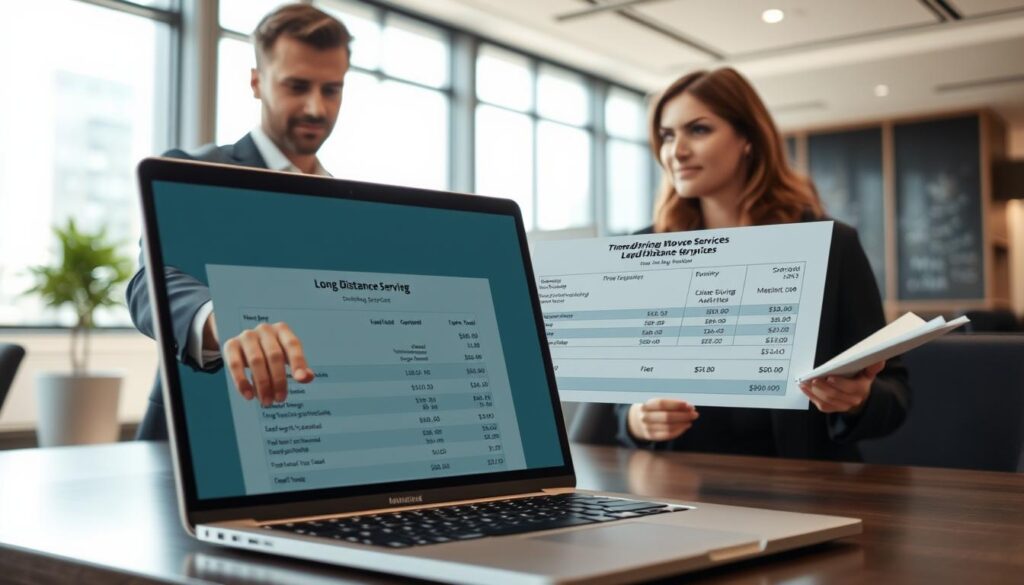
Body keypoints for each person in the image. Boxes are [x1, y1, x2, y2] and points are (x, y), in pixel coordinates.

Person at [614, 68, 910, 461]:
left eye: (698, 130)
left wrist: (858, 399)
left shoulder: (831, 245)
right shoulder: (645, 250)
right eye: (667, 136)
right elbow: (614, 403)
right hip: (678, 488)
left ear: (748, 139)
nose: (676, 151)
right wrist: (636, 419)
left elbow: (895, 395)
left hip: (803, 485)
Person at [128, 4, 352, 440]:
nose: (315, 106)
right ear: (257, 82)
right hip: (200, 442)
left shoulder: (352, 209)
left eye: (332, 89)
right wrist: (223, 318)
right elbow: (148, 285)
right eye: (297, 86)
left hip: (317, 442)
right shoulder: (193, 173)